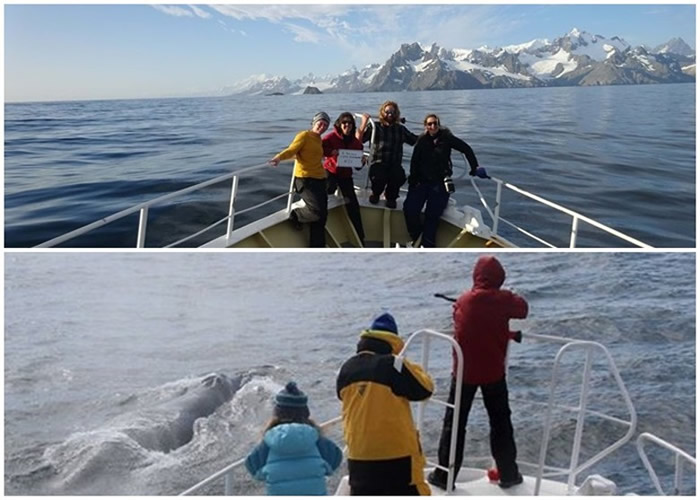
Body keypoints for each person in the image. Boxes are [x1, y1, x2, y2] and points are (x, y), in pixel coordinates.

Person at [428, 256, 527, 490]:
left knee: (454, 425)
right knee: (501, 423)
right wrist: (509, 297)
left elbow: (464, 325)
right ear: (499, 278)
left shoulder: (463, 300)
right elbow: (523, 310)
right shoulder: (504, 300)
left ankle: (444, 477)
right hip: (494, 373)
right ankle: (509, 474)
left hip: (464, 373)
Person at [336, 312, 433, 495]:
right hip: (397, 458)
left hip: (358, 458)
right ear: (393, 342)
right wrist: (410, 365)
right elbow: (425, 389)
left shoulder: (346, 368)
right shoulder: (393, 364)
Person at [245, 381, 343, 495]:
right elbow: (335, 460)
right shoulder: (316, 439)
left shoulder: (268, 442)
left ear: (277, 413)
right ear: (306, 413)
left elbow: (252, 467)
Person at [404, 114, 480, 248]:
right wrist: (412, 181)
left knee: (432, 215)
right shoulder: (421, 141)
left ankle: (428, 245)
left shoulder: (447, 138)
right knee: (409, 209)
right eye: (429, 124)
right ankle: (417, 237)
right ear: (425, 126)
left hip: (439, 183)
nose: (433, 126)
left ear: (439, 125)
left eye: (435, 123)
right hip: (421, 182)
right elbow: (414, 162)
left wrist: (474, 167)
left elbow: (466, 149)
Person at [269, 112, 331, 247]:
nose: (323, 126)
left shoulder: (318, 139)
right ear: (314, 122)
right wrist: (279, 157)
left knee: (322, 216)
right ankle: (296, 215)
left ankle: (317, 246)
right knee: (317, 213)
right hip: (305, 180)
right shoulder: (304, 135)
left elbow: (315, 154)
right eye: (321, 123)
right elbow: (292, 150)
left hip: (320, 179)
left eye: (326, 125)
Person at [357, 101, 418, 209]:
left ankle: (391, 197)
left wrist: (431, 132)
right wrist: (364, 122)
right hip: (378, 161)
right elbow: (359, 140)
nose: (390, 114)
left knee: (399, 176)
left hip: (394, 163)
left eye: (393, 112)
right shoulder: (375, 127)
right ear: (382, 112)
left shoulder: (400, 129)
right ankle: (376, 193)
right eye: (387, 111)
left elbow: (415, 140)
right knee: (379, 177)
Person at [322, 112, 366, 245]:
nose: (347, 125)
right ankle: (321, 229)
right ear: (339, 124)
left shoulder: (356, 143)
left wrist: (362, 161)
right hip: (330, 171)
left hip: (346, 176)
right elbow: (319, 147)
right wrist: (330, 152)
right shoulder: (330, 137)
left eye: (350, 123)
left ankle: (360, 236)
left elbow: (357, 167)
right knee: (325, 196)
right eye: (344, 123)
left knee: (353, 205)